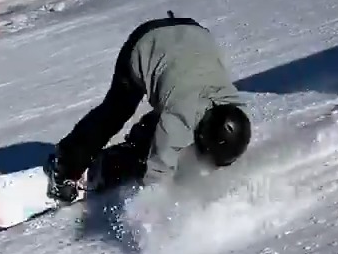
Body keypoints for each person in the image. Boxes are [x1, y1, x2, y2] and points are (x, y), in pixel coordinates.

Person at [45, 12, 252, 203]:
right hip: (146, 44)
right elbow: (155, 179)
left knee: (170, 109)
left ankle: (136, 144)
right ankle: (64, 166)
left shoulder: (235, 108)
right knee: (115, 112)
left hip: (192, 34)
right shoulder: (179, 120)